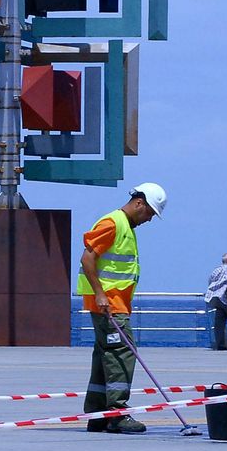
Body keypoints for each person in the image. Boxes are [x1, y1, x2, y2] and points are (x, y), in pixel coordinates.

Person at [77, 182, 167, 434]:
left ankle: (97, 414)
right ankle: (116, 412)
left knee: (105, 354)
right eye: (149, 212)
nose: (149, 219)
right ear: (139, 203)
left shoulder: (125, 226)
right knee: (121, 353)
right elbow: (88, 258)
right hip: (110, 305)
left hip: (114, 304)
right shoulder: (113, 223)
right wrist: (100, 294)